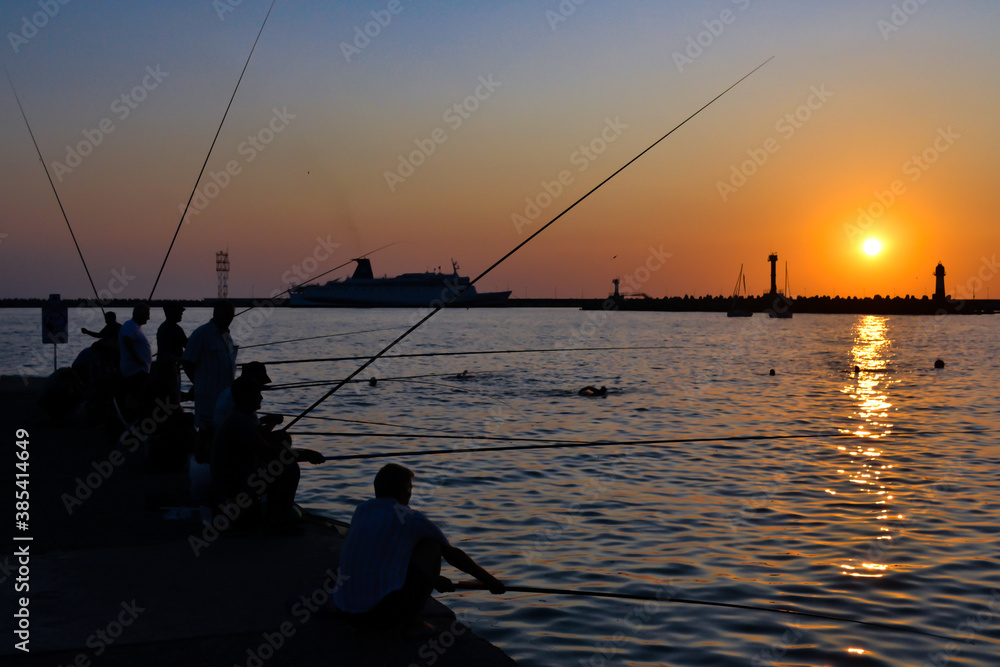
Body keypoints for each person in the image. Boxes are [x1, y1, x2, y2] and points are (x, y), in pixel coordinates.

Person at [334, 464, 505, 632]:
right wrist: (490, 581)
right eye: (410, 488)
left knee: (400, 544)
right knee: (432, 545)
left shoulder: (362, 510)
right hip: (379, 616)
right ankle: (413, 624)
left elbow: (381, 557)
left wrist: (434, 578)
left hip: (346, 612)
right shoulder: (411, 518)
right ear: (405, 491)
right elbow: (453, 555)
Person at [211, 377, 323, 528]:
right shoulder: (239, 421)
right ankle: (278, 519)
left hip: (233, 482)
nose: (261, 397)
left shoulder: (240, 418)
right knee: (289, 467)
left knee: (281, 448)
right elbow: (268, 453)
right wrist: (307, 454)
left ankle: (270, 510)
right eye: (257, 393)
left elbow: (260, 442)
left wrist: (272, 423)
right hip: (233, 489)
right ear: (244, 396)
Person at [183, 300, 237, 434]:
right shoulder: (201, 334)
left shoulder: (227, 337)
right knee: (206, 431)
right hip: (207, 396)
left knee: (223, 429)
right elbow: (187, 362)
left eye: (231, 316)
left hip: (225, 397)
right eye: (226, 315)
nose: (229, 320)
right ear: (216, 314)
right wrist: (199, 383)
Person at [213, 361, 282, 431]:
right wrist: (273, 422)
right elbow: (260, 433)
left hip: (221, 432)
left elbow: (250, 424)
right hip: (232, 438)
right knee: (281, 439)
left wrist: (265, 419)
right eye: (260, 382)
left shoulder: (231, 391)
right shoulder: (245, 397)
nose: (261, 386)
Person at [118, 304, 152, 409]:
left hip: (138, 370)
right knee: (137, 397)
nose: (149, 318)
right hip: (135, 371)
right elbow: (127, 339)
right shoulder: (131, 326)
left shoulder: (134, 327)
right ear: (140, 315)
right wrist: (138, 359)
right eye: (147, 314)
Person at [156, 304, 187, 404]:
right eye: (180, 312)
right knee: (173, 395)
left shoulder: (162, 327)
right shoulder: (175, 328)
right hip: (171, 368)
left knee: (165, 395)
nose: (182, 314)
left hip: (162, 367)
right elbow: (187, 345)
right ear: (174, 314)